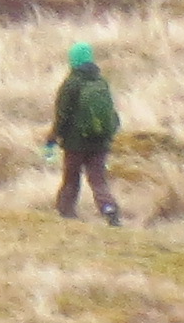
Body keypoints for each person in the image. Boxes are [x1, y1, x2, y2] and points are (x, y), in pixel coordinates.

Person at [43, 41, 124, 225]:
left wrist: (53, 137)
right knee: (98, 179)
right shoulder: (100, 81)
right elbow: (111, 112)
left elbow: (62, 115)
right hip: (101, 142)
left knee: (71, 177)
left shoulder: (71, 84)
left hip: (75, 143)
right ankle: (109, 208)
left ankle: (66, 212)